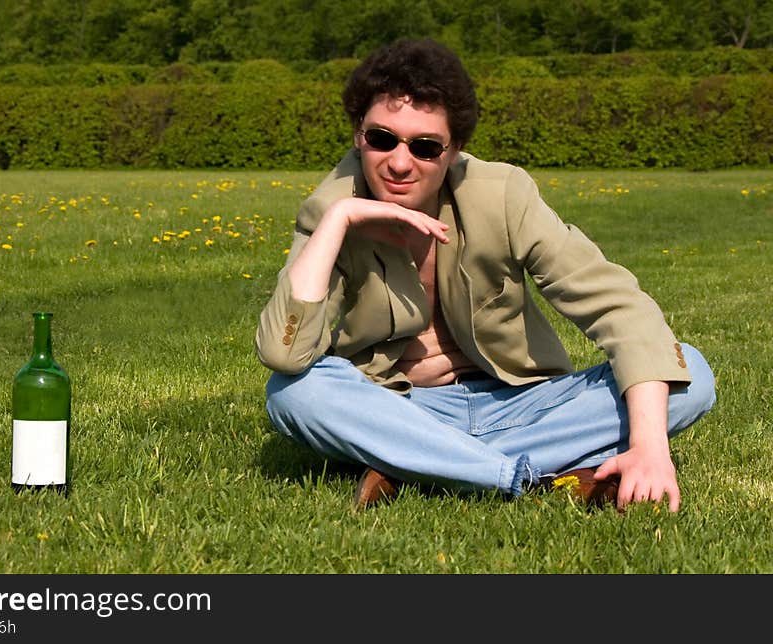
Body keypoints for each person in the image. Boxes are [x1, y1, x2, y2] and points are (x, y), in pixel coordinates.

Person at [255, 38, 716, 512]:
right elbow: (284, 353)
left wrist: (651, 449)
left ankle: (417, 464)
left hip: (523, 402)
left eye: (426, 146)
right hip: (403, 406)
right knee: (294, 393)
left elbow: (619, 308)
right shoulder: (333, 209)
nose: (398, 161)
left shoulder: (502, 195)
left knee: (691, 376)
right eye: (381, 138)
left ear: (454, 150)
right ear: (358, 135)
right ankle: (518, 477)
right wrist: (339, 220)